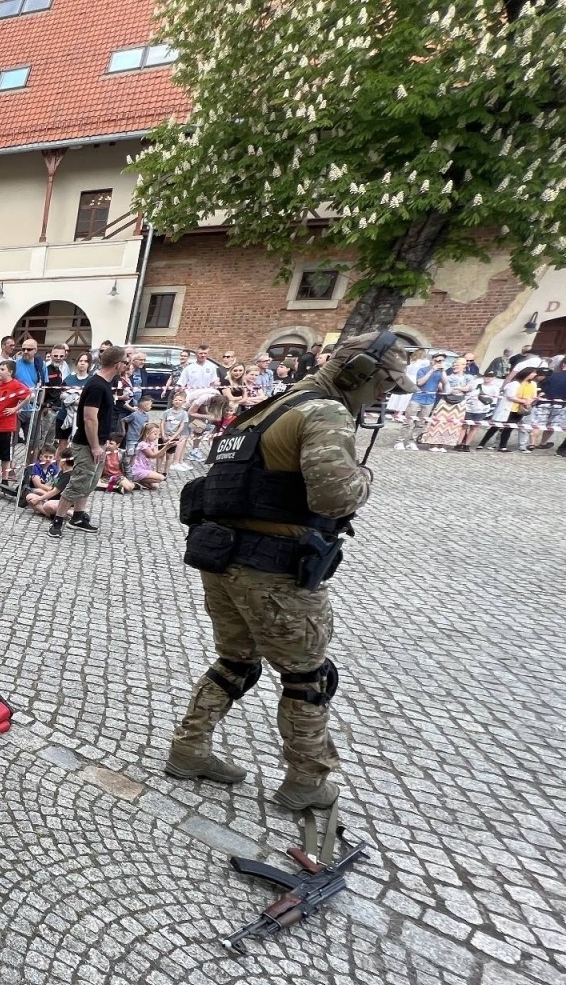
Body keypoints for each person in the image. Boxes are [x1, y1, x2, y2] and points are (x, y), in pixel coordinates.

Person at [167, 331, 409, 816]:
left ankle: (188, 749)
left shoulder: (266, 409)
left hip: (222, 561)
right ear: (359, 373)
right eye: (384, 382)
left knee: (236, 662)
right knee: (307, 677)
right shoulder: (324, 412)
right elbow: (334, 498)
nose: (385, 395)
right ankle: (306, 779)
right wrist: (364, 477)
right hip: (275, 573)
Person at [48, 345, 128, 539]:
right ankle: (58, 520)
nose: (126, 365)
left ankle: (77, 517)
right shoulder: (97, 386)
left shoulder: (105, 383)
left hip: (99, 442)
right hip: (87, 444)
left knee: (89, 482)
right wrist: (94, 446)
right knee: (79, 482)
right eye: (125, 362)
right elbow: (89, 418)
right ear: (117, 364)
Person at [0, 359, 29, 493]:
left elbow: (28, 395)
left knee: (5, 455)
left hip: (5, 427)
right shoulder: (0, 384)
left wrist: (16, 408)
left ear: (10, 372)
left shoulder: (16, 385)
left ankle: (5, 478)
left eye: (2, 369)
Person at [179, 345, 222, 416]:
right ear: (196, 354)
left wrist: (217, 384)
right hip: (192, 398)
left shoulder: (212, 367)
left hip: (206, 399)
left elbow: (213, 383)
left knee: (205, 419)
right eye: (201, 353)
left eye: (205, 353)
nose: (203, 355)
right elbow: (181, 384)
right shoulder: (189, 368)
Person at [129, 423, 166, 489]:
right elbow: (153, 455)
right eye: (155, 434)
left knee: (155, 486)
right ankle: (135, 479)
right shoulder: (143, 444)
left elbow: (158, 455)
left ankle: (139, 481)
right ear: (147, 434)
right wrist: (166, 447)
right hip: (138, 469)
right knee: (161, 477)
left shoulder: (152, 443)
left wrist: (165, 447)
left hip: (146, 468)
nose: (157, 437)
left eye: (158, 435)